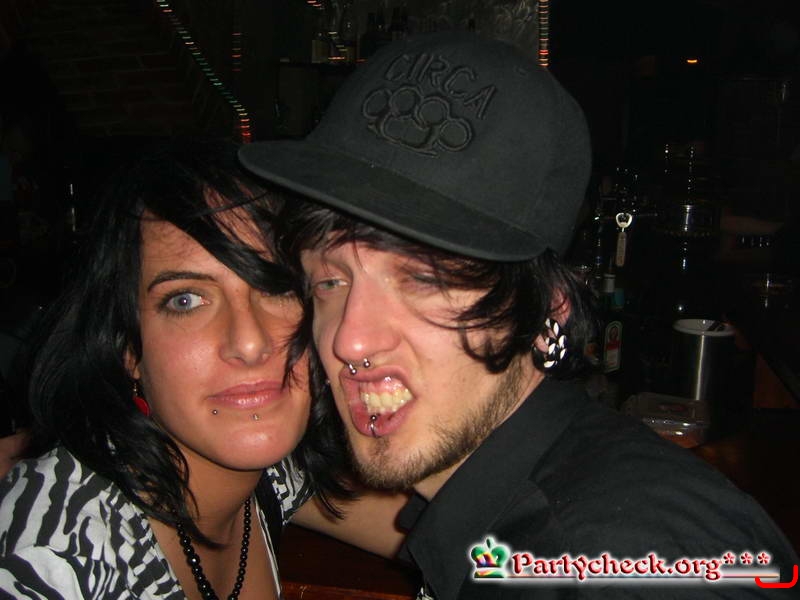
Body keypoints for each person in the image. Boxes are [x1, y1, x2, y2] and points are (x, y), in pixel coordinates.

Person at [239, 32, 800, 598]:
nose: (351, 341)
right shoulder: (496, 512)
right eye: (330, 281)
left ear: (546, 309)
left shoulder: (609, 564)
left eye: (425, 279)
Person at [0, 138, 361, 600]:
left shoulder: (272, 477)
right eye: (186, 300)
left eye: (276, 286)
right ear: (128, 349)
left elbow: (448, 531)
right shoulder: (57, 560)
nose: (249, 342)